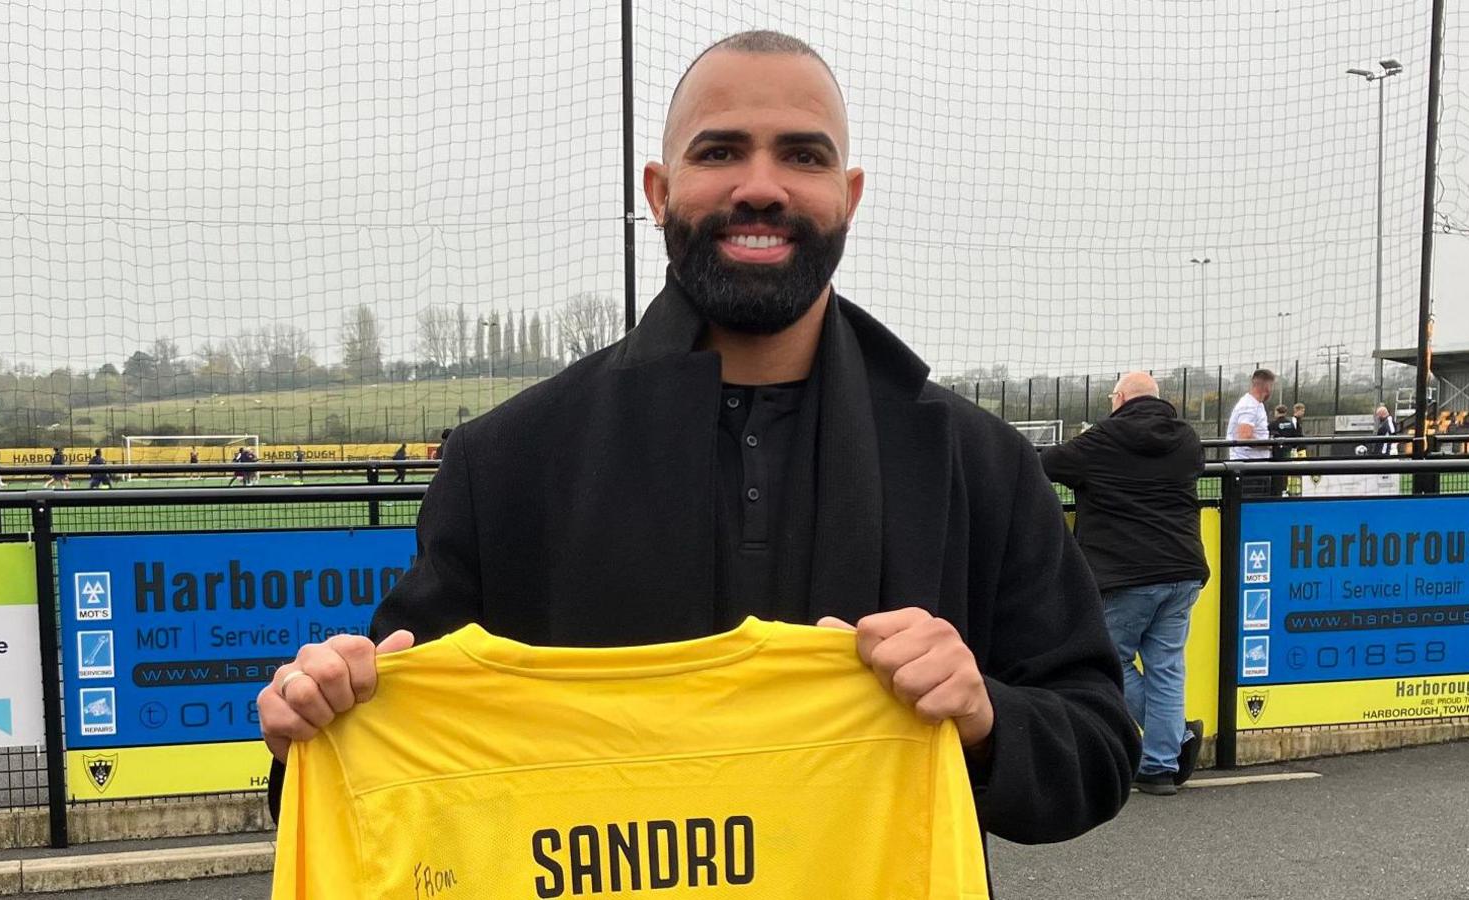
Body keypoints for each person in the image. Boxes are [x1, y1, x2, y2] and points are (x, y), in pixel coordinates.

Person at [258, 30, 1137, 850]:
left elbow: (1098, 745)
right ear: (660, 191)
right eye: (720, 152)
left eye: (803, 154)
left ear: (849, 196)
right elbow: (379, 756)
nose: (762, 186)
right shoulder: (509, 462)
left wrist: (984, 719)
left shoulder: (974, 462)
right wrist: (315, 725)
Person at [1040, 373, 1209, 796]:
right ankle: (1161, 761)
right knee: (1167, 667)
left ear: (1119, 399)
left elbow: (1048, 463)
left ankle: (1170, 746)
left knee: (1110, 662)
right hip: (1184, 568)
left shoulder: (1102, 440)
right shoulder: (1186, 438)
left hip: (1126, 573)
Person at [1225, 369, 1274, 496]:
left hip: (1255, 467)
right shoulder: (1248, 405)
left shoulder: (1257, 405)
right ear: (1267, 386)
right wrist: (1270, 444)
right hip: (1248, 470)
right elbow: (1244, 437)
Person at [1269, 404, 1301, 497]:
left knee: (1275, 472)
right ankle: (1284, 489)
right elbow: (1296, 438)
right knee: (1285, 471)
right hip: (1287, 451)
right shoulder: (1290, 424)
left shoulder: (1273, 424)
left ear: (1276, 412)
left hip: (1276, 452)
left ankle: (1276, 492)